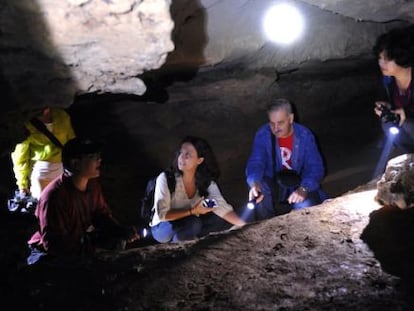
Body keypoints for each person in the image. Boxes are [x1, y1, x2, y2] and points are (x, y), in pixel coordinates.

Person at [27, 138, 139, 265]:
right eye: (92, 156)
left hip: (76, 243)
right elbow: (55, 244)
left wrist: (119, 230)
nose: (99, 160)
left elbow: (100, 215)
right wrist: (92, 253)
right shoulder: (55, 196)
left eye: (98, 155)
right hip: (48, 256)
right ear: (75, 164)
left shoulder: (92, 186)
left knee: (116, 240)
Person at [150, 136, 246, 243]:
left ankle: (182, 242)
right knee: (194, 222)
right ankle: (180, 244)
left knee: (217, 220)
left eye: (188, 155)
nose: (182, 157)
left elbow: (220, 206)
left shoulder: (205, 182)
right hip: (162, 227)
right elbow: (163, 215)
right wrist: (193, 211)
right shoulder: (166, 178)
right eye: (181, 153)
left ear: (199, 160)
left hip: (188, 222)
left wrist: (245, 226)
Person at [245, 98, 327, 221]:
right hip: (274, 182)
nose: (275, 128)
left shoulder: (305, 136)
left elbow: (315, 167)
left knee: (304, 209)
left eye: (280, 123)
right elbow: (256, 161)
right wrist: (254, 182)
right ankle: (266, 226)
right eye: (272, 123)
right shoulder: (263, 134)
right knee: (258, 190)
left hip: (298, 182)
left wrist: (304, 188)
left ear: (291, 118)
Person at [11, 106, 76, 199]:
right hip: (41, 173)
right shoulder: (26, 123)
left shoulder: (61, 115)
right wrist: (22, 184)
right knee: (45, 205)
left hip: (62, 171)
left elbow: (72, 142)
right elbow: (20, 156)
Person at [373, 25, 414, 153]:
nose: (381, 64)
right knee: (387, 123)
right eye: (380, 58)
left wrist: (408, 112)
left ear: (402, 56)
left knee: (408, 124)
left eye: (386, 59)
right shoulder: (388, 81)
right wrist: (386, 105)